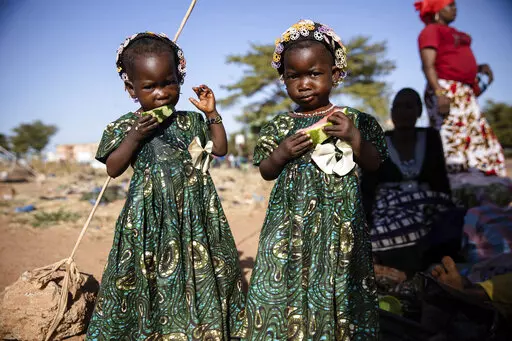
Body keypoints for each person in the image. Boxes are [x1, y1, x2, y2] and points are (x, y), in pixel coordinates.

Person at [86, 32, 245, 339]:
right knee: (152, 274)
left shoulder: (190, 121)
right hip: (150, 215)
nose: (161, 93)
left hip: (196, 212)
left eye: (168, 82)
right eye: (149, 86)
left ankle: (199, 326)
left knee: (200, 271)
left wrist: (211, 113)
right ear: (131, 88)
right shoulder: (123, 126)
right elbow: (113, 168)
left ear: (179, 79)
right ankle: (154, 328)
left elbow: (221, 149)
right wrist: (134, 136)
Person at [243, 20, 388, 340]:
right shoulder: (280, 125)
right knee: (283, 283)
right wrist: (281, 153)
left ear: (335, 75)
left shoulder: (355, 120)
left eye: (314, 74)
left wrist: (353, 137)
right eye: (294, 76)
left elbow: (376, 164)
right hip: (287, 227)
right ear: (283, 79)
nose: (304, 83)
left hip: (340, 227)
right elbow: (267, 171)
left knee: (338, 283)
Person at [361, 88, 461, 275]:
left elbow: (440, 180)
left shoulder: (430, 137)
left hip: (428, 203)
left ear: (419, 111)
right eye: (397, 107)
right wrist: (366, 220)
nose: (402, 112)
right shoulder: (379, 142)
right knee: (386, 233)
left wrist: (446, 207)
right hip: (390, 207)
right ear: (391, 112)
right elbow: (368, 187)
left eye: (408, 106)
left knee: (450, 224)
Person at [415, 0, 506, 176]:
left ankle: (479, 187)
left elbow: (455, 63)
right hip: (445, 90)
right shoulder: (431, 31)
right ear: (436, 10)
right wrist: (439, 93)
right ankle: (454, 188)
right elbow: (428, 65)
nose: (455, 9)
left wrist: (478, 69)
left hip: (463, 92)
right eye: (450, 5)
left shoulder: (457, 34)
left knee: (474, 139)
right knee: (452, 140)